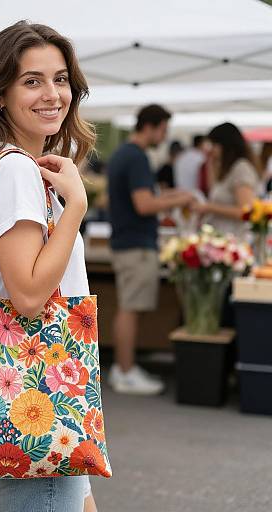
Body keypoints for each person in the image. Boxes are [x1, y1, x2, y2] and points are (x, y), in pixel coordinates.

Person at [0, 21, 98, 512]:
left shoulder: (9, 166)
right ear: (0, 95)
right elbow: (28, 295)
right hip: (38, 402)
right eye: (32, 81)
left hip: (41, 412)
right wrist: (75, 207)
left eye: (61, 79)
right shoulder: (13, 170)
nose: (52, 94)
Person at [107, 104, 193, 395]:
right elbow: (144, 204)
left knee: (130, 307)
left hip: (126, 242)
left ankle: (125, 367)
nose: (164, 136)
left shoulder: (123, 154)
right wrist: (178, 201)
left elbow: (143, 196)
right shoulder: (137, 157)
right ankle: (125, 370)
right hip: (136, 245)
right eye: (164, 129)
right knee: (130, 309)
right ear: (152, 126)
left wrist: (171, 195)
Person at [192, 123, 260, 238]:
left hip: (233, 240)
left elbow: (245, 212)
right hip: (221, 238)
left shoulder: (241, 168)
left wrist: (209, 207)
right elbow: (212, 191)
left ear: (226, 145)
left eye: (214, 144)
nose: (211, 149)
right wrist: (211, 164)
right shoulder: (227, 168)